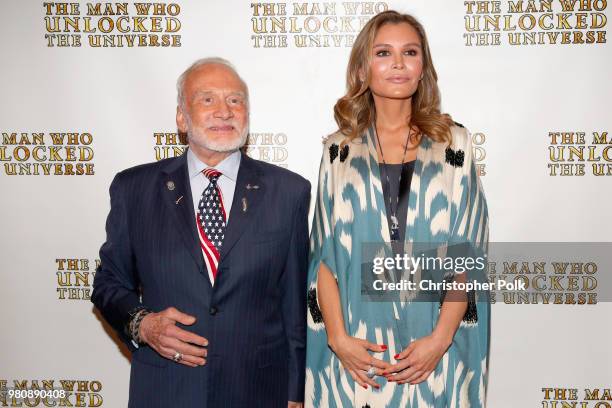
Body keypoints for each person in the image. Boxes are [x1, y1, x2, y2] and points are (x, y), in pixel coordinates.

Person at [91, 57, 310, 408]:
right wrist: (143, 325)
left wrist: (293, 393)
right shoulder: (134, 189)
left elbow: (294, 304)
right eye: (207, 99)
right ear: (181, 116)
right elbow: (108, 283)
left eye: (235, 100)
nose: (224, 111)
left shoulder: (289, 192)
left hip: (258, 390)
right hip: (167, 389)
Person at [305, 11, 490, 407]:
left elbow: (468, 255)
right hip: (359, 353)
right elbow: (323, 258)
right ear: (362, 68)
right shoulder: (338, 150)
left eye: (410, 52)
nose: (399, 63)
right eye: (384, 52)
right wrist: (337, 339)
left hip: (435, 348)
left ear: (423, 68)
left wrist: (440, 341)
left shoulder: (455, 144)